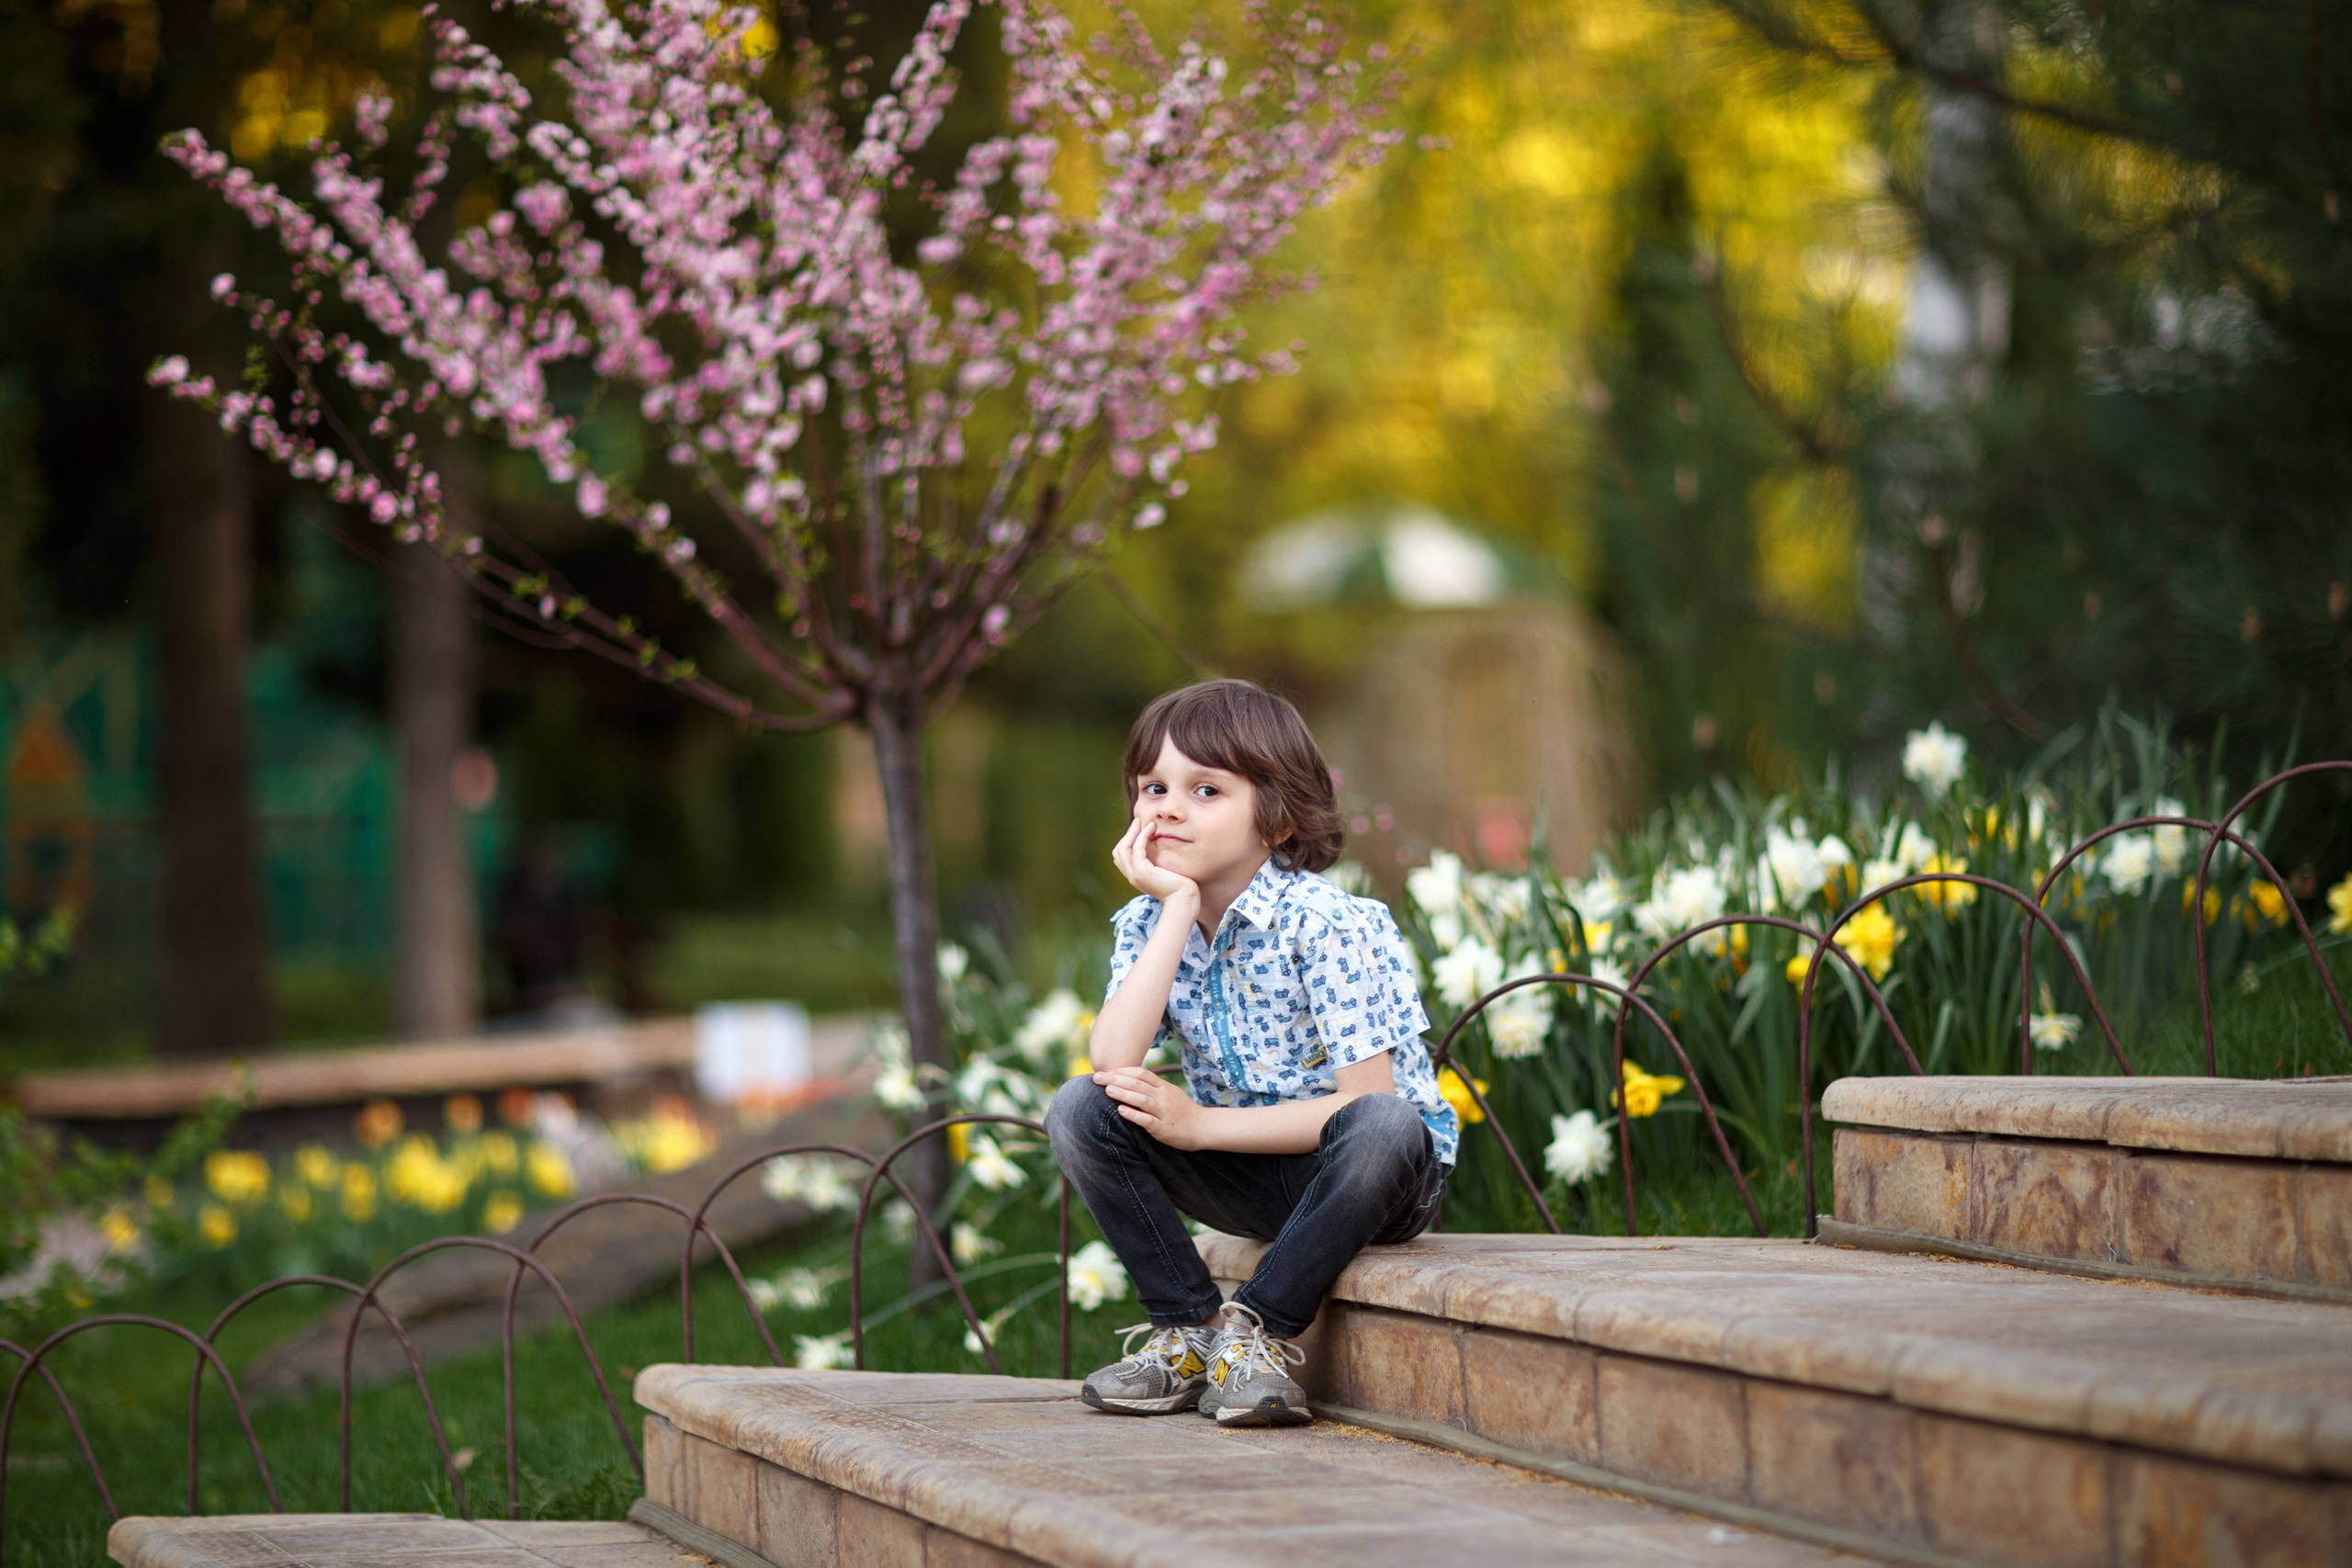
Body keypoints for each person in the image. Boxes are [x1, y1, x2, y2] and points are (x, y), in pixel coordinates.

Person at [1046, 679, 1457, 1427]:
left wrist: (1198, 1126)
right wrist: (1174, 907)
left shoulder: (1330, 924)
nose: (1167, 806)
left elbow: (1369, 1102)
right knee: (1080, 1108)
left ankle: (1254, 1333)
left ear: (1275, 814)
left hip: (1368, 1176)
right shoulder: (1148, 920)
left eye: (1205, 788)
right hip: (1250, 1175)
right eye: (1152, 787)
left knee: (1388, 1122)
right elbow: (1112, 1057)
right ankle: (1189, 1330)